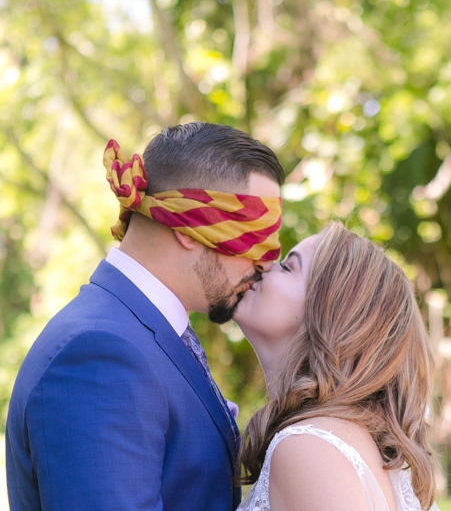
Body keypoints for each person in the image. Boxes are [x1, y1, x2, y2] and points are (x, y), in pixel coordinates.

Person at [6, 122, 284, 511]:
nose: (265, 264)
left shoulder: (145, 331)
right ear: (191, 226)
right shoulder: (100, 353)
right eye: (254, 238)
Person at [234, 221, 440, 511]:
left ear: (330, 316)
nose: (264, 265)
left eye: (288, 267)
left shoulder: (309, 448)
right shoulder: (349, 444)